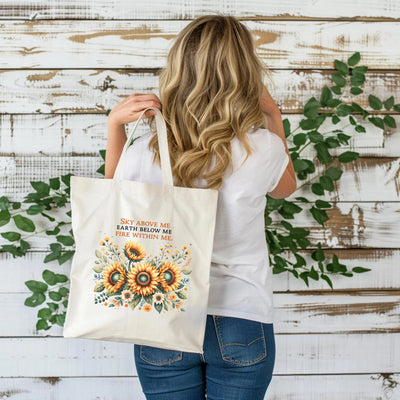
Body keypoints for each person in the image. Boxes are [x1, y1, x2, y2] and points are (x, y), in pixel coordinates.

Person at [105, 14, 296, 400]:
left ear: (177, 70)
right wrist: (273, 115)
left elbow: (114, 200)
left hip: (163, 309)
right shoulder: (263, 148)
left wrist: (115, 127)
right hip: (242, 316)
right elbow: (285, 190)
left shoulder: (146, 149)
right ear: (246, 73)